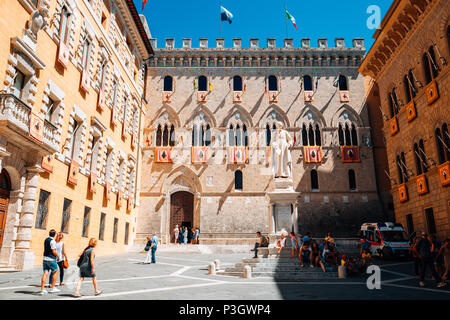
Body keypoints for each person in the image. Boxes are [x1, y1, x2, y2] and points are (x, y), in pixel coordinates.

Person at [39, 229, 60, 295]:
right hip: (51, 259)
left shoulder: (46, 239)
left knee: (45, 273)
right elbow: (53, 251)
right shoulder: (53, 241)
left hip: (45, 258)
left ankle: (42, 289)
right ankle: (53, 287)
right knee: (55, 271)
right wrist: (58, 256)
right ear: (54, 234)